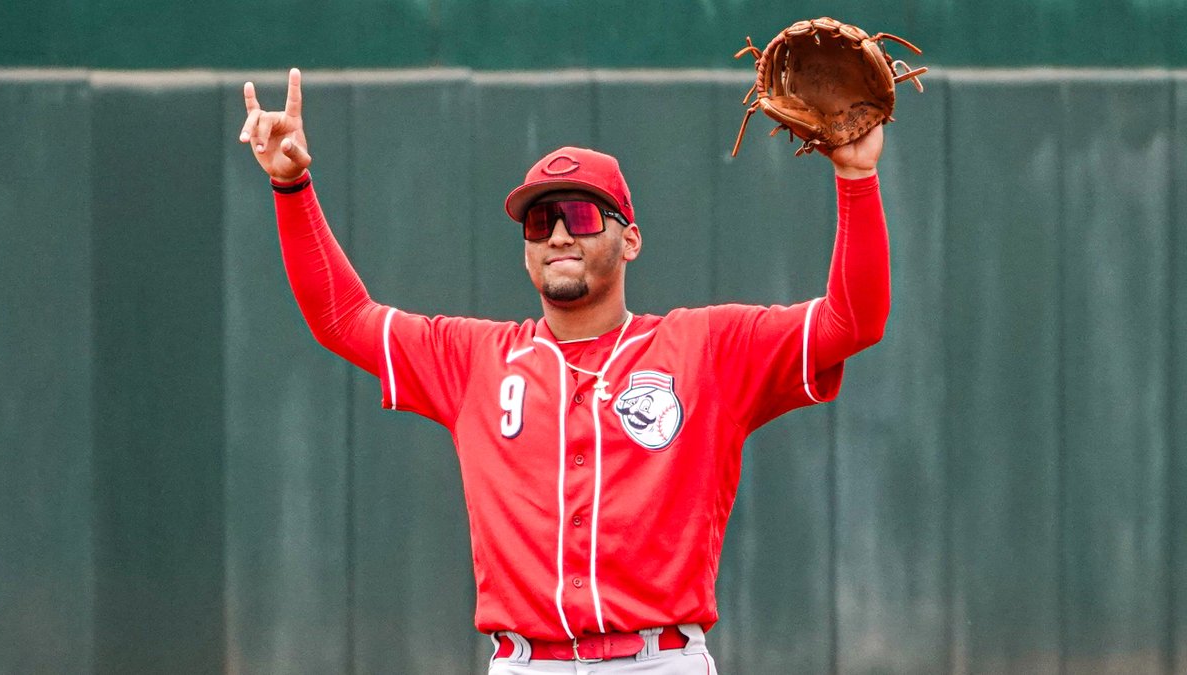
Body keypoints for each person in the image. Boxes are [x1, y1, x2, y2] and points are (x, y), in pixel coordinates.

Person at [239, 68, 890, 674]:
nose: (556, 235)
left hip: (660, 659)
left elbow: (852, 321)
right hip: (526, 662)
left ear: (630, 239)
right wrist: (291, 188)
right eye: (539, 220)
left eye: (579, 215)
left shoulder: (706, 348)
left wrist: (856, 175)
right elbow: (344, 317)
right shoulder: (473, 359)